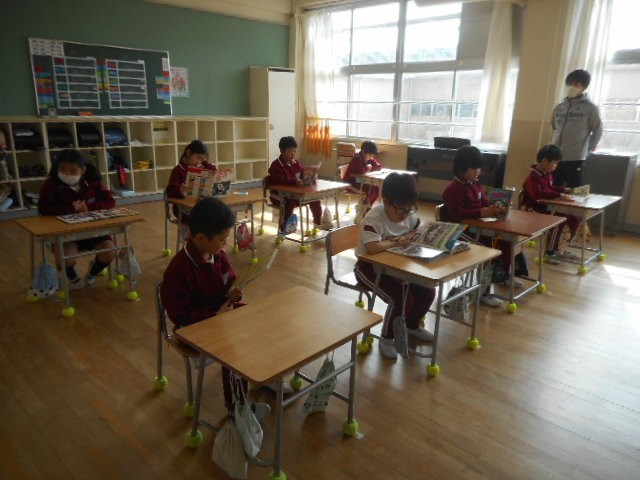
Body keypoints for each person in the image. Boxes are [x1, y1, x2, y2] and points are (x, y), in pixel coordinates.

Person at [160, 198, 272, 417]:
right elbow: (179, 315)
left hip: (221, 314)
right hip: (193, 327)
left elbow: (228, 283)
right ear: (201, 238)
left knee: (258, 322)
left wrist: (233, 292)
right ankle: (237, 409)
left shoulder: (217, 255)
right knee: (234, 346)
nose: (225, 244)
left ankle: (263, 374)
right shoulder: (179, 270)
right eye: (222, 239)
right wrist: (214, 315)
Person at [354, 172, 436, 360]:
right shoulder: (374, 217)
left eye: (409, 209)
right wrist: (398, 241)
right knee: (400, 298)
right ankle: (388, 338)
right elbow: (373, 248)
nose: (404, 215)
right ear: (386, 201)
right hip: (368, 269)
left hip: (396, 269)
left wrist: (412, 236)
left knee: (427, 291)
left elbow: (417, 231)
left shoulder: (409, 216)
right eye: (400, 209)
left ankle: (412, 325)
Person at [441, 145, 523, 307]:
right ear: (461, 169)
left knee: (505, 241)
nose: (477, 171)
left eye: (478, 168)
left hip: (479, 228)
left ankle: (502, 275)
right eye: (473, 168)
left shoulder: (475, 184)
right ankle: (484, 292)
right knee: (489, 250)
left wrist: (496, 206)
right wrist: (481, 212)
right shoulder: (453, 188)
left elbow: (484, 201)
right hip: (461, 232)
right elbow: (457, 214)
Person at [38, 149, 116, 289]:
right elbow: (44, 209)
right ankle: (72, 277)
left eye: (73, 171)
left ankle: (92, 273)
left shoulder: (92, 183)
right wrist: (70, 208)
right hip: (66, 233)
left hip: (92, 230)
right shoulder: (51, 185)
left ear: (83, 170)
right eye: (63, 170)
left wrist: (89, 207)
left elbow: (109, 201)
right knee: (65, 258)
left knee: (109, 251)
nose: (67, 174)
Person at [522, 144, 581, 263]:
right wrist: (558, 195)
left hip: (546, 208)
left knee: (575, 218)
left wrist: (563, 190)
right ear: (544, 161)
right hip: (534, 210)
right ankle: (550, 252)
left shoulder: (547, 174)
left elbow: (550, 188)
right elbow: (538, 194)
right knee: (558, 221)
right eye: (554, 163)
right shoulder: (532, 177)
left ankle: (561, 248)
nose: (555, 166)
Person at [550, 69, 603, 188]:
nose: (571, 86)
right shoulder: (559, 107)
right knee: (553, 189)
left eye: (576, 84)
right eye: (569, 83)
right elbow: (554, 127)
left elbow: (598, 131)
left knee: (574, 191)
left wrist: (587, 149)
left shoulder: (591, 109)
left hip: (575, 158)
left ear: (584, 87)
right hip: (555, 157)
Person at [267, 136, 323, 234]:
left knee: (314, 197)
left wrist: (310, 176)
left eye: (294, 151)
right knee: (290, 201)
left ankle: (318, 223)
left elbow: (303, 172)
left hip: (295, 194)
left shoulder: (295, 163)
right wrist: (295, 181)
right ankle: (284, 229)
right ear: (282, 151)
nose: (293, 154)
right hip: (278, 196)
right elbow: (281, 181)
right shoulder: (276, 165)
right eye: (290, 151)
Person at [166, 140, 217, 223]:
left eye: (202, 159)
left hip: (199, 206)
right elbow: (170, 192)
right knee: (210, 218)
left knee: (218, 214)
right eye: (198, 157)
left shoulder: (199, 167)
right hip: (183, 209)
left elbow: (215, 172)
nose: (199, 162)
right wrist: (180, 191)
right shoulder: (178, 170)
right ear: (188, 153)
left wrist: (204, 161)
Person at [345, 140, 383, 207]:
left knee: (376, 188)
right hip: (352, 182)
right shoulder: (357, 158)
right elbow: (360, 171)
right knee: (370, 190)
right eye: (370, 154)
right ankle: (363, 208)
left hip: (361, 180)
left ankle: (368, 206)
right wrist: (367, 168)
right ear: (363, 151)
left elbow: (379, 166)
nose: (371, 157)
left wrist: (371, 166)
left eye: (372, 155)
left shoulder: (368, 158)